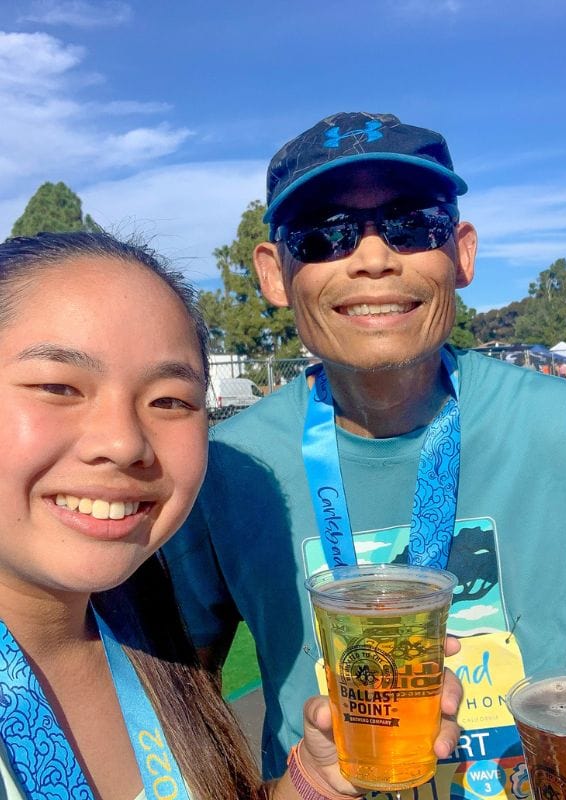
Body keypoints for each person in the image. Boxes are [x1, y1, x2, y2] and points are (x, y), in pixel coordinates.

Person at [163, 112, 566, 800]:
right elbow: (172, 695)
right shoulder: (225, 465)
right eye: (324, 232)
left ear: (461, 253)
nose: (374, 257)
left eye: (413, 224)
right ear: (274, 273)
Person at [0, 230, 389, 800]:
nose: (124, 442)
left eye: (170, 401)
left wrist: (316, 784)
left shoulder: (139, 627)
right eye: (57, 386)